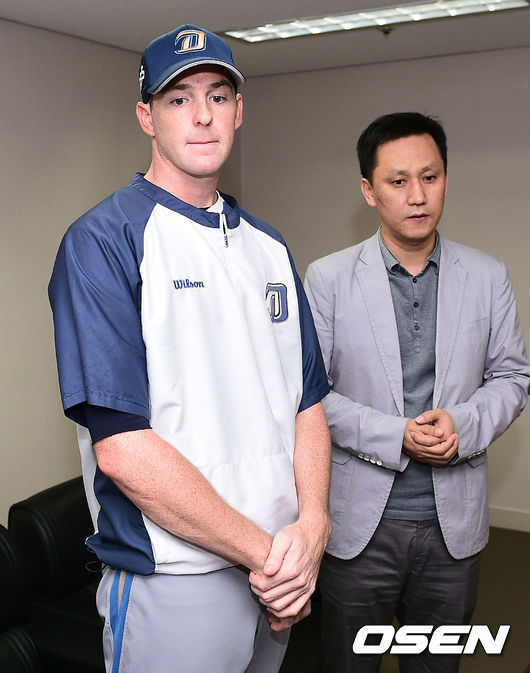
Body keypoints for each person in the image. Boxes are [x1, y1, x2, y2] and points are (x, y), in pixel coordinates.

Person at [49, 24, 332, 673]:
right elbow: (123, 449)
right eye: (179, 99)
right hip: (177, 581)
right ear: (146, 117)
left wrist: (314, 526)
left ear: (239, 110)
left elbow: (308, 403)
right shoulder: (104, 242)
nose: (202, 115)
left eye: (217, 96)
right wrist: (268, 555)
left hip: (280, 577)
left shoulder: (270, 247)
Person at [304, 112, 530, 673]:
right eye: (398, 181)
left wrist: (464, 424)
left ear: (446, 179)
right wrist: (395, 435)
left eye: (430, 177)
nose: (417, 195)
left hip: (454, 529)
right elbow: (310, 397)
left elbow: (512, 376)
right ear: (369, 190)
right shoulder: (328, 279)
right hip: (360, 526)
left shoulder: (487, 275)